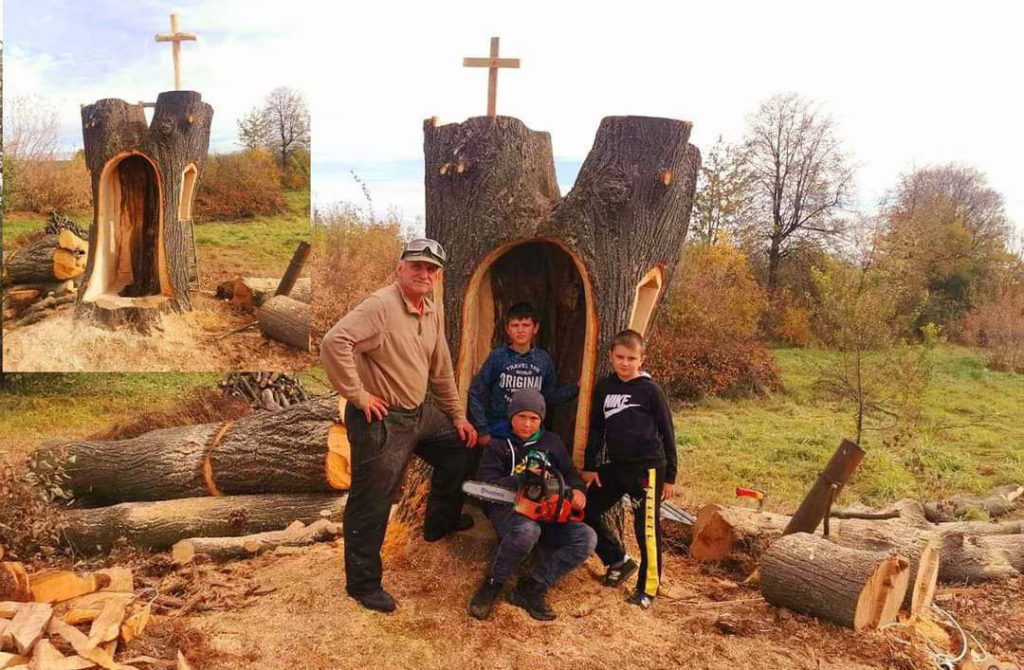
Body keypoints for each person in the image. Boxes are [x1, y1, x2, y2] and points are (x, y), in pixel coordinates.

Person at [320, 237, 478, 613]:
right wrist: (358, 396)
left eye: (431, 269)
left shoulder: (432, 309)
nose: (424, 273)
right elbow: (334, 342)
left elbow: (441, 368)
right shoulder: (380, 305)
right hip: (381, 417)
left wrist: (457, 416)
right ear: (400, 269)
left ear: (437, 276)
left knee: (460, 446)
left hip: (419, 413)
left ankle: (439, 523)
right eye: (416, 266)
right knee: (372, 500)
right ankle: (362, 584)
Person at [468, 389, 596, 621]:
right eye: (522, 417)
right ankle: (493, 583)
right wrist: (520, 479)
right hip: (510, 510)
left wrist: (578, 489)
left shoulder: (552, 442)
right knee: (527, 531)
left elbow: (569, 472)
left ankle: (532, 587)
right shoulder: (499, 445)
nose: (527, 424)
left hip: (548, 511)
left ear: (541, 419)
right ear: (511, 417)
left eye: (534, 418)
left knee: (586, 538)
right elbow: (485, 484)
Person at [581, 329, 677, 609]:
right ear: (611, 356)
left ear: (641, 359)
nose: (625, 363)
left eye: (631, 358)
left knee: (646, 529)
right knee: (584, 508)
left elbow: (667, 432)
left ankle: (647, 589)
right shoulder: (604, 388)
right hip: (617, 467)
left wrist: (671, 476)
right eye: (620, 357)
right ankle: (618, 560)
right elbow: (596, 429)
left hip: (648, 470)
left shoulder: (650, 391)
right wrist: (589, 466)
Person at [467, 301, 579, 445]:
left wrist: (576, 388)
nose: (520, 330)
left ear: (535, 328)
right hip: (499, 430)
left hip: (531, 432)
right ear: (507, 329)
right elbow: (476, 393)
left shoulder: (543, 359)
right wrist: (483, 430)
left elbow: (549, 397)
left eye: (525, 325)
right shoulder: (497, 357)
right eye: (515, 325)